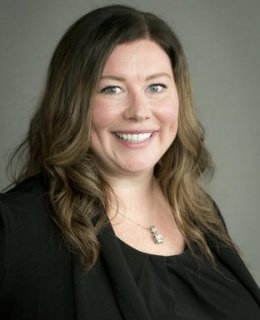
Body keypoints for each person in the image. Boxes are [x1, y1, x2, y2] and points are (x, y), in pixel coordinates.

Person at [0, 4, 259, 320]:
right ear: (72, 103)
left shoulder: (201, 214)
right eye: (112, 88)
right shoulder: (15, 226)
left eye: (156, 87)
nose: (139, 111)